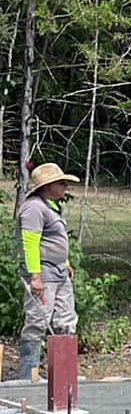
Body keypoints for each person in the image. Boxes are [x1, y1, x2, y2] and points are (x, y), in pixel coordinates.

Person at [14, 162, 81, 380]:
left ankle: (64, 374)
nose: (65, 187)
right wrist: (35, 275)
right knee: (38, 320)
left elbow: (56, 239)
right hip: (43, 273)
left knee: (66, 320)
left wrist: (66, 262)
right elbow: (30, 242)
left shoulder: (52, 207)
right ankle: (29, 373)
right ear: (47, 186)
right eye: (60, 183)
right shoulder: (33, 208)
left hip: (59, 272)